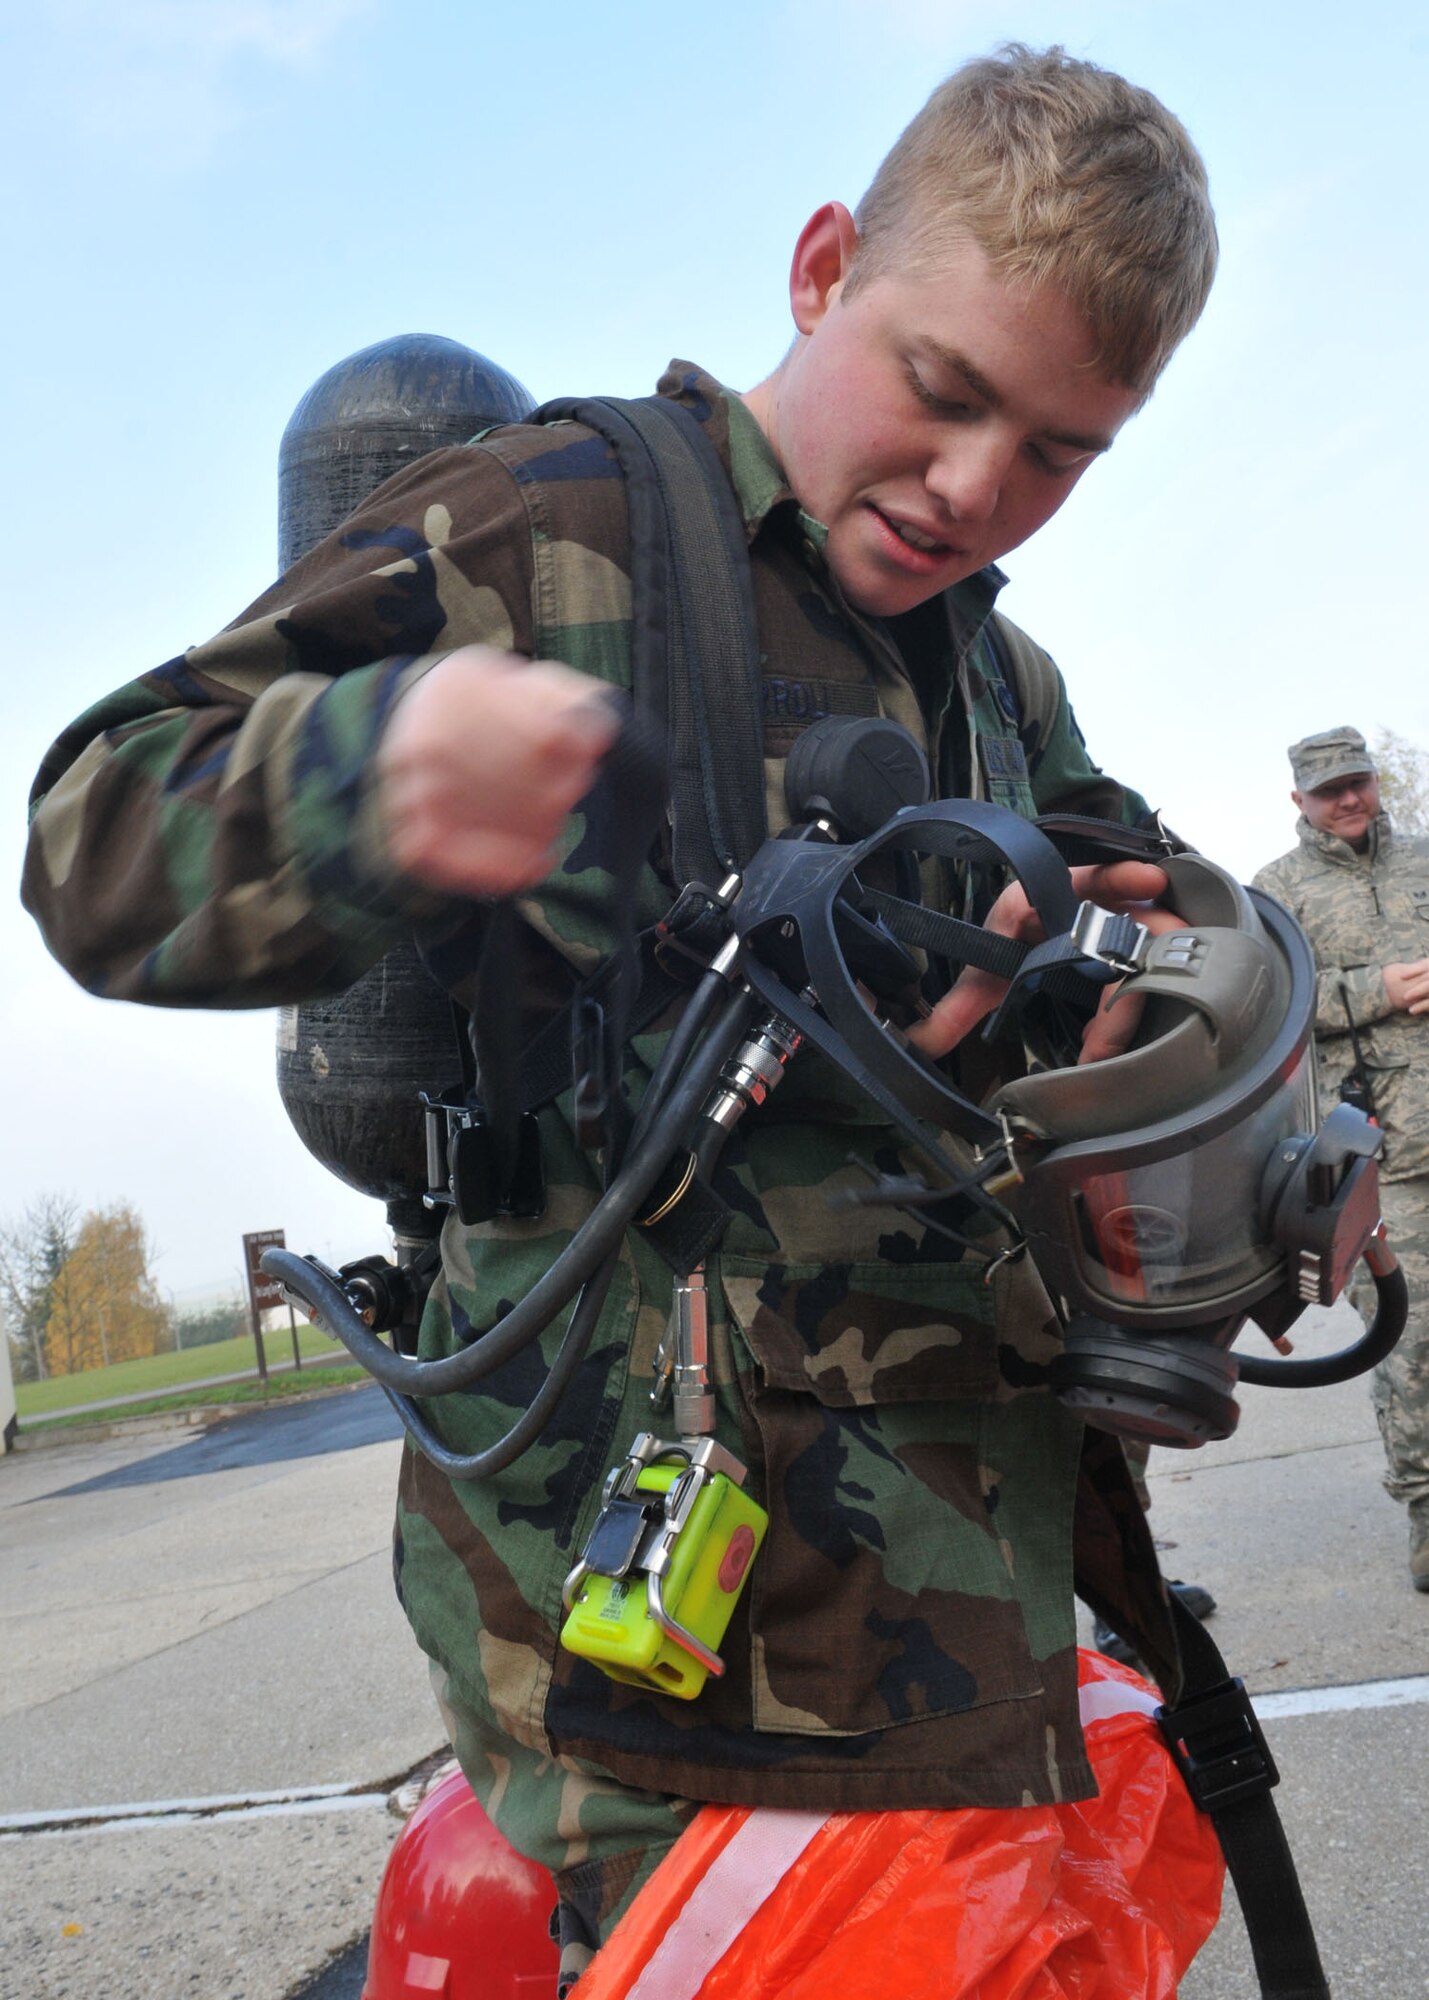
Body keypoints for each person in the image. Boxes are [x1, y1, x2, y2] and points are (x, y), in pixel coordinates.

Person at [23, 45, 1219, 1992]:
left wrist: (1162, 1036)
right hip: (675, 1680)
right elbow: (95, 830)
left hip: (992, 1611)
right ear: (823, 268)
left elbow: (1143, 910)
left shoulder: (1003, 670)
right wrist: (380, 770)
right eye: (943, 393)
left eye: (1060, 453)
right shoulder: (552, 526)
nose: (973, 489)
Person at [1253, 727, 1429, 1594]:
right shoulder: (1275, 894)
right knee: (1414, 1347)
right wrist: (1376, 989)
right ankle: (1428, 1511)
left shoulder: (1425, 860)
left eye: (1356, 781)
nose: (1348, 799)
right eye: (1328, 790)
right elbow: (1264, 1008)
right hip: (1381, 1156)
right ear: (1300, 802)